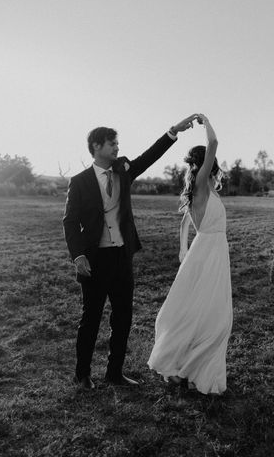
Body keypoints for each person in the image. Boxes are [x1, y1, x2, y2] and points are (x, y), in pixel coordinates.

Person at [63, 115, 199, 389]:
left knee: (123, 317)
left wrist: (174, 131)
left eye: (117, 143)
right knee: (90, 319)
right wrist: (78, 256)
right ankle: (83, 374)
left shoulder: (123, 169)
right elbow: (69, 220)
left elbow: (150, 156)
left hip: (121, 257)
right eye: (112, 144)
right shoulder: (79, 181)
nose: (116, 148)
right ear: (96, 146)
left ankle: (114, 373)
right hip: (94, 259)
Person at [148, 114, 233, 395]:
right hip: (209, 253)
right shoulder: (199, 187)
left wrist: (183, 248)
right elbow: (214, 142)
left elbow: (186, 221)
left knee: (208, 314)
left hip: (210, 253)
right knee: (211, 316)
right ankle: (184, 367)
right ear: (209, 165)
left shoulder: (203, 190)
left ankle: (192, 368)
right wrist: (205, 120)